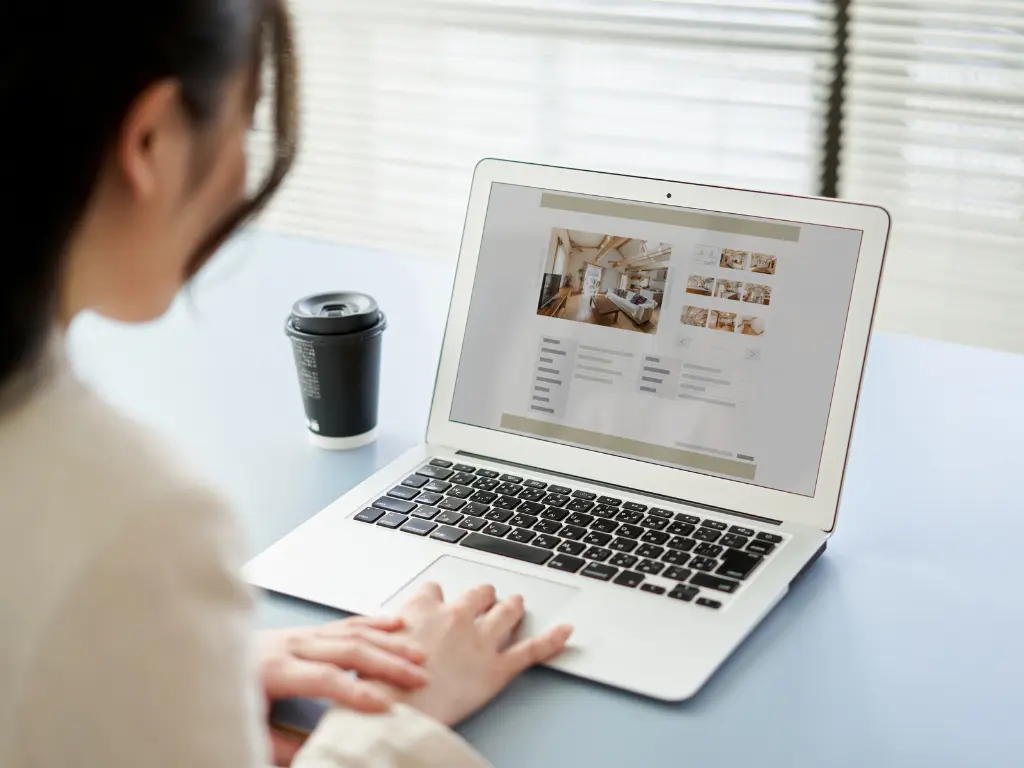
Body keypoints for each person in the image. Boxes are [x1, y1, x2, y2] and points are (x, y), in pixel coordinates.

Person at [0, 1, 573, 766]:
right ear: (151, 140)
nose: (244, 165)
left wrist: (169, 671)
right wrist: (395, 718)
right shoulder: (137, 522)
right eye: (247, 118)